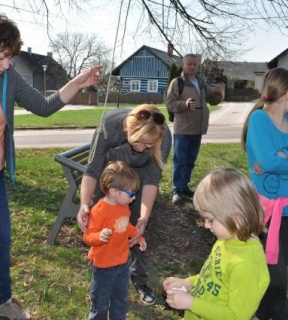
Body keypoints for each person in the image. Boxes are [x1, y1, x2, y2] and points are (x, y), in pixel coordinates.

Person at [0, 15, 102, 320]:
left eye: (10, 57)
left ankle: (2, 300)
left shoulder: (8, 78)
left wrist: (78, 82)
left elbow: (43, 106)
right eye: (1, 58)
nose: (7, 64)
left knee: (1, 238)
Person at [77, 103, 172, 306]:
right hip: (110, 175)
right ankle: (99, 278)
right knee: (101, 225)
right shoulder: (109, 126)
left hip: (138, 179)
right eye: (141, 142)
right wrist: (85, 204)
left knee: (135, 229)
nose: (143, 149)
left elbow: (151, 181)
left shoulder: (163, 135)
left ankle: (140, 281)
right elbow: (93, 169)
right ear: (130, 129)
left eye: (150, 145)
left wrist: (144, 218)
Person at [163, 168, 269, 320]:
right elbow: (213, 278)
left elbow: (236, 316)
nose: (206, 225)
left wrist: (191, 303)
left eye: (211, 220)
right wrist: (188, 283)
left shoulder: (246, 265)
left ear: (236, 219)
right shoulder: (226, 240)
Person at [241, 67, 288, 320]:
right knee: (276, 277)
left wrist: (280, 159)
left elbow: (273, 161)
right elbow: (269, 163)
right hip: (271, 215)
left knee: (275, 278)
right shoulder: (260, 120)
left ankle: (260, 313)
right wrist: (274, 160)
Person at [83, 160, 147, 319]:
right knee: (100, 302)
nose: (133, 198)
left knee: (121, 299)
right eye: (131, 194)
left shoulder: (124, 206)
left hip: (123, 263)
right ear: (113, 191)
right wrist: (99, 236)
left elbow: (126, 226)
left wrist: (138, 236)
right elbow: (88, 237)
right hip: (103, 267)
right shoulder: (99, 210)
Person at [166, 54, 223, 205]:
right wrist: (185, 104)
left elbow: (213, 100)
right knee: (180, 160)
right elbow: (170, 103)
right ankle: (177, 190)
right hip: (183, 128)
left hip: (197, 128)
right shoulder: (177, 82)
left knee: (190, 160)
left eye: (194, 64)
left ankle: (184, 186)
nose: (192, 66)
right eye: (189, 64)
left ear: (198, 66)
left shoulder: (201, 82)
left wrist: (218, 93)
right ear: (184, 65)